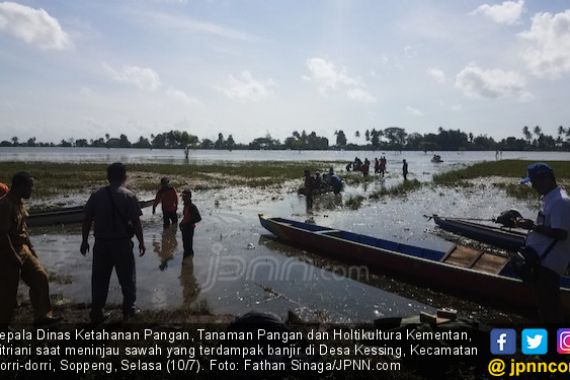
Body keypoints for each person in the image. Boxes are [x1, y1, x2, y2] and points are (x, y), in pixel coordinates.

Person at [81, 163, 146, 324]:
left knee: (99, 279)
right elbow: (136, 223)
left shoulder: (96, 195)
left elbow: (87, 219)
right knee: (127, 277)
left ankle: (96, 311)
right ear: (124, 176)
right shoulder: (129, 196)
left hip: (101, 244)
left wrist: (84, 241)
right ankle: (129, 308)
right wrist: (141, 242)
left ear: (108, 177)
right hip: (122, 244)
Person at [0, 172, 60, 326]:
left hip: (23, 249)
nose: (31, 190)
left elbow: (24, 232)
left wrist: (32, 252)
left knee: (40, 277)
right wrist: (13, 256)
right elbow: (2, 235)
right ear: (20, 186)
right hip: (7, 252)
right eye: (30, 187)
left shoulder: (20, 203)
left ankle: (42, 317)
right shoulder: (4, 204)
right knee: (8, 292)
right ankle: (3, 327)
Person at [515, 163, 570, 323]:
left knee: (550, 311)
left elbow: (561, 233)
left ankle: (557, 345)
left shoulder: (560, 202)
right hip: (541, 262)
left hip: (549, 265)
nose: (533, 186)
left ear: (546, 178)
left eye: (534, 181)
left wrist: (532, 226)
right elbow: (550, 227)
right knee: (546, 308)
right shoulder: (551, 199)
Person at [179, 189, 202, 258]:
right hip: (185, 228)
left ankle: (188, 262)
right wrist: (181, 223)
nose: (183, 198)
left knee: (188, 246)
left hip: (189, 228)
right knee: (185, 245)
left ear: (189, 197)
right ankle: (187, 260)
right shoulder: (186, 205)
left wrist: (187, 223)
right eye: (182, 196)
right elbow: (186, 216)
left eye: (184, 196)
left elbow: (198, 218)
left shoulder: (192, 207)